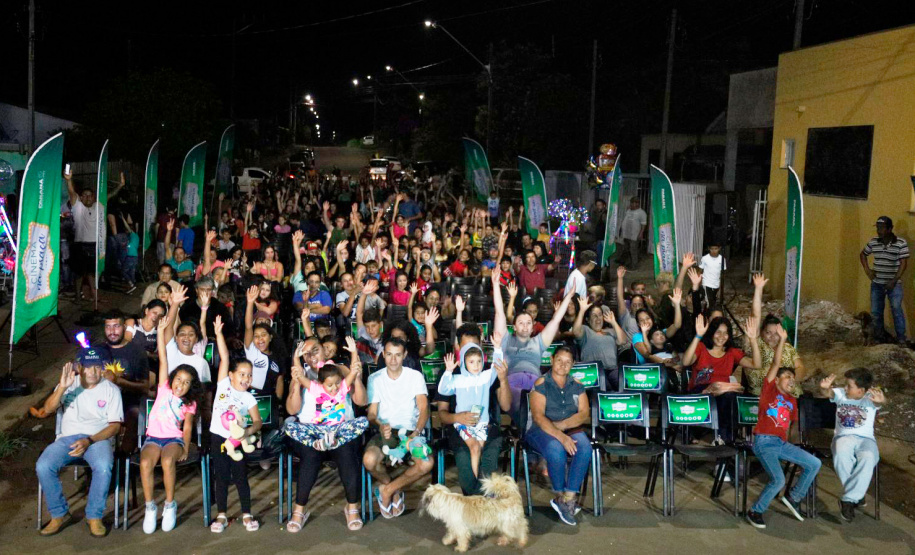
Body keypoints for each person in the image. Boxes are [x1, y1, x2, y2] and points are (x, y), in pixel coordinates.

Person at [36, 349, 124, 537]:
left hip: (97, 439)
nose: (92, 372)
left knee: (102, 466)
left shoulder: (111, 390)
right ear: (79, 367)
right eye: (87, 367)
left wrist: (89, 440)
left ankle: (94, 516)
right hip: (67, 438)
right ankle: (59, 514)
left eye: (97, 367)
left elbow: (115, 426)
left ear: (102, 369)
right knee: (43, 465)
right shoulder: (69, 384)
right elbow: (48, 410)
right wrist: (61, 387)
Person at [284, 337, 368, 532]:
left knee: (346, 451)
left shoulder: (340, 372)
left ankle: (352, 508)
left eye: (315, 350)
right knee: (310, 454)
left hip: (340, 433)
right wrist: (296, 382)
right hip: (313, 435)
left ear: (325, 351)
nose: (312, 356)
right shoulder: (305, 377)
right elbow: (291, 410)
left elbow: (362, 401)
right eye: (306, 353)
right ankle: (299, 511)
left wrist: (356, 375)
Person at [746, 324, 821, 530]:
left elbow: (791, 428)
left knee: (814, 463)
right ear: (776, 379)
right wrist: (781, 340)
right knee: (778, 479)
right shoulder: (769, 391)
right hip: (764, 441)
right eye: (786, 376)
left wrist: (794, 449)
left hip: (781, 443)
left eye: (792, 377)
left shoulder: (791, 401)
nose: (790, 379)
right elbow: (777, 362)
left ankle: (794, 497)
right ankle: (755, 511)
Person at [141, 318, 204, 534]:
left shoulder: (190, 403)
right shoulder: (163, 388)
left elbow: (187, 428)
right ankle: (150, 507)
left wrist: (186, 447)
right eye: (179, 379)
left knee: (168, 460)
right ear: (172, 379)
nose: (181, 384)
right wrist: (160, 333)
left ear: (191, 386)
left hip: (173, 439)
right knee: (146, 464)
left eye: (187, 382)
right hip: (153, 438)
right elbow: (163, 359)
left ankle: (169, 505)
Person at [362, 337, 433, 519]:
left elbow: (424, 407)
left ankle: (388, 491)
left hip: (410, 431)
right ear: (383, 355)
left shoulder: (415, 376)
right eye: (389, 355)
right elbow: (371, 413)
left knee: (426, 462)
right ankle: (390, 485)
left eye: (398, 355)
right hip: (385, 430)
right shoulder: (374, 379)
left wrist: (416, 432)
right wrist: (379, 424)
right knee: (369, 460)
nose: (393, 360)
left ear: (405, 355)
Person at [493, 268, 576, 416]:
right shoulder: (506, 339)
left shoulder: (539, 341)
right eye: (521, 323)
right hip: (513, 382)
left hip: (536, 383)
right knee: (523, 408)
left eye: (528, 323)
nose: (525, 326)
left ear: (533, 327)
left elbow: (556, 320)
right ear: (514, 327)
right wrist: (495, 285)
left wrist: (569, 296)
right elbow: (500, 313)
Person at [526, 345, 592, 526]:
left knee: (584, 448)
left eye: (568, 362)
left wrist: (563, 427)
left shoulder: (577, 385)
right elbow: (539, 417)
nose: (563, 365)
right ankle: (559, 495)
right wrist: (560, 436)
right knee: (556, 450)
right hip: (541, 430)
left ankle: (567, 498)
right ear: (552, 359)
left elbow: (584, 413)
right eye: (560, 360)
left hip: (567, 427)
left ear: (573, 365)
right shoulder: (541, 383)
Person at [209, 317, 263, 533]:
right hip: (217, 437)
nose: (246, 378)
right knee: (221, 477)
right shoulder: (223, 385)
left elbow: (258, 421)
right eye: (242, 374)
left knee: (240, 476)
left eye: (249, 375)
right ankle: (221, 515)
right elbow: (224, 356)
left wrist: (247, 431)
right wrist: (219, 334)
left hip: (237, 440)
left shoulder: (249, 398)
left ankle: (247, 514)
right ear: (231, 375)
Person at [681, 314, 760, 442]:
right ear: (712, 333)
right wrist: (698, 336)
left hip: (724, 393)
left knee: (730, 397)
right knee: (722, 396)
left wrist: (753, 339)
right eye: (718, 332)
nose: (721, 337)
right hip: (701, 392)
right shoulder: (701, 347)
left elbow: (756, 364)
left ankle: (725, 439)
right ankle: (710, 435)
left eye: (725, 333)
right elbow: (685, 362)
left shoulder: (732, 352)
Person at [820, 368, 884, 522]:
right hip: (844, 436)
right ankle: (857, 495)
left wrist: (882, 401)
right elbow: (828, 394)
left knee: (869, 457)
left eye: (850, 386)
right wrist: (824, 388)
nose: (846, 388)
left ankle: (848, 497)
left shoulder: (870, 396)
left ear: (861, 390)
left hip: (866, 439)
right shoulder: (842, 393)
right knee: (841, 455)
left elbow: (880, 402)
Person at [440, 343, 511, 480]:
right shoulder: (458, 380)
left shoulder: (485, 378)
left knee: (480, 451)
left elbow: (496, 367)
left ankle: (479, 483)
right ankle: (475, 485)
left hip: (482, 423)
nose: (476, 365)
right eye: (471, 362)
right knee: (474, 448)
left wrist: (497, 348)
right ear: (464, 363)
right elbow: (443, 389)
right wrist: (448, 371)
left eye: (479, 361)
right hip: (463, 424)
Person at [96, 311, 150, 454]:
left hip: (127, 402)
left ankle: (122, 460)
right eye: (108, 327)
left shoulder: (136, 351)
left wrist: (119, 381)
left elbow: (145, 386)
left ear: (124, 327)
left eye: (116, 326)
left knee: (136, 414)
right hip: (101, 402)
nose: (112, 331)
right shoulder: (98, 350)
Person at [749, 273, 805, 397]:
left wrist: (790, 381)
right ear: (761, 333)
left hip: (788, 394)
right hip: (764, 393)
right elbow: (755, 316)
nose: (772, 337)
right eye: (768, 332)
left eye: (776, 333)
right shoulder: (758, 344)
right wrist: (758, 290)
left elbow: (800, 367)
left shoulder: (788, 348)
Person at [860, 216, 909, 345]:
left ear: (890, 229)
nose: (879, 230)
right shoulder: (874, 242)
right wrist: (867, 270)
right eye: (877, 227)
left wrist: (894, 280)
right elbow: (863, 254)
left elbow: (904, 263)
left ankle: (901, 340)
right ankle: (878, 338)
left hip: (894, 284)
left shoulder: (901, 243)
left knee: (896, 310)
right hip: (877, 283)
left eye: (881, 228)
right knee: (876, 312)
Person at [572, 296, 629, 390]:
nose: (598, 318)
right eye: (594, 315)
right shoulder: (586, 330)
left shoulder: (611, 331)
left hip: (612, 369)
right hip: (593, 370)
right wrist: (582, 311)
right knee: (605, 387)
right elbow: (575, 331)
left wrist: (614, 322)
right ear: (588, 319)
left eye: (600, 315)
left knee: (625, 385)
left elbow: (623, 340)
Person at [64, 168, 99, 302]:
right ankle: (78, 296)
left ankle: (94, 297)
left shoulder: (98, 207)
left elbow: (107, 196)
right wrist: (69, 180)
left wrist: (119, 186)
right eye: (84, 195)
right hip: (80, 245)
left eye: (90, 195)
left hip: (94, 245)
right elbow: (72, 192)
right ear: (81, 197)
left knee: (91, 274)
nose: (87, 197)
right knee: (79, 274)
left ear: (94, 197)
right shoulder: (78, 207)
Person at [615, 196, 647, 269]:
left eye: (634, 203)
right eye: (631, 203)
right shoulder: (628, 210)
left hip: (634, 235)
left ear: (638, 204)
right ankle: (624, 261)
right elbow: (625, 220)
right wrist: (621, 230)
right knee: (626, 248)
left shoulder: (641, 213)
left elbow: (643, 224)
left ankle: (634, 265)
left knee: (633, 250)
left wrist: (641, 233)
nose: (632, 205)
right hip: (626, 234)